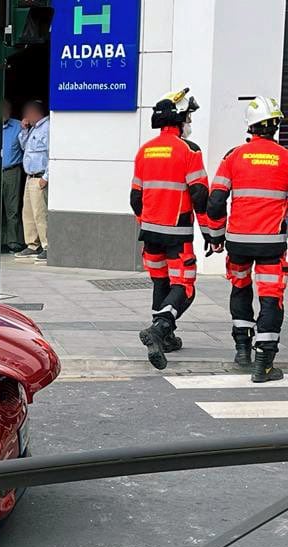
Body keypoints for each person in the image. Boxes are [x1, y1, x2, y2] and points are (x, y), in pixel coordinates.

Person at [207, 96, 288, 382]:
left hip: (238, 242)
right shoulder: (286, 158)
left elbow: (215, 201)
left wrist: (215, 236)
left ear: (250, 127)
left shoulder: (233, 156)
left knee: (240, 290)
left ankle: (242, 351)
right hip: (271, 244)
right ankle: (264, 364)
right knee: (270, 299)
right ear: (276, 125)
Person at [130, 87, 211, 371]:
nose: (190, 124)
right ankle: (160, 330)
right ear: (179, 120)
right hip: (177, 232)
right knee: (184, 287)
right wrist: (212, 233)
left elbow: (135, 198)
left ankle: (166, 338)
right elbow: (200, 195)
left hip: (150, 232)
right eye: (188, 118)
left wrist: (147, 222)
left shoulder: (145, 151)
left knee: (160, 282)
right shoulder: (189, 151)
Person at [0, 99, 25, 252]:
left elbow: (26, 146)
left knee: (12, 209)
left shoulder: (19, 126)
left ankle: (13, 241)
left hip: (11, 171)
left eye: (6, 109)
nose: (4, 112)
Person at [18, 100, 50, 262]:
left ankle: (46, 245)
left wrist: (46, 177)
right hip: (29, 177)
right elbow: (24, 147)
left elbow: (53, 154)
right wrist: (24, 130)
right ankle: (32, 244)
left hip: (40, 177)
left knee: (40, 213)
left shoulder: (48, 127)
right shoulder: (33, 129)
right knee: (28, 212)